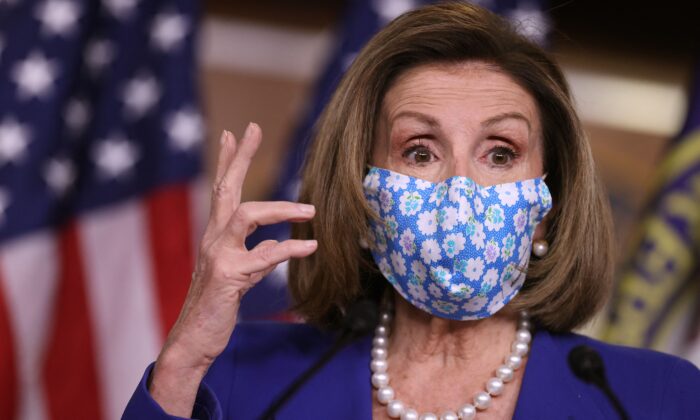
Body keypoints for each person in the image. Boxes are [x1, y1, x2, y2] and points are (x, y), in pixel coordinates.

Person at [123, 3, 700, 419]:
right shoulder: (236, 375)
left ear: (547, 209)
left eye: (500, 154)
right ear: (363, 197)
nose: (459, 188)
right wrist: (183, 361)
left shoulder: (654, 397)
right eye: (420, 151)